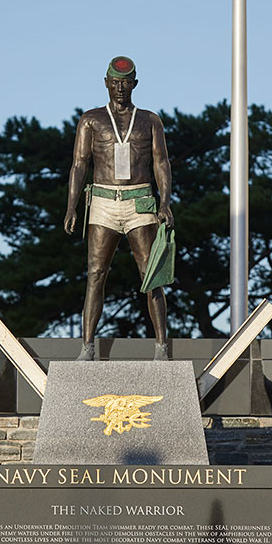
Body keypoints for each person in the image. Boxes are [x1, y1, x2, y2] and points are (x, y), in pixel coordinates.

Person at [63, 56, 174, 361]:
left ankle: (162, 347)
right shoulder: (91, 119)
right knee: (96, 273)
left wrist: (165, 202)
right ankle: (86, 347)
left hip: (140, 200)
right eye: (115, 83)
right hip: (102, 201)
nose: (121, 88)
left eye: (126, 83)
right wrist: (71, 207)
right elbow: (79, 164)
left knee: (150, 275)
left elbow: (161, 162)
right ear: (106, 83)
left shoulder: (150, 120)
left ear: (135, 84)